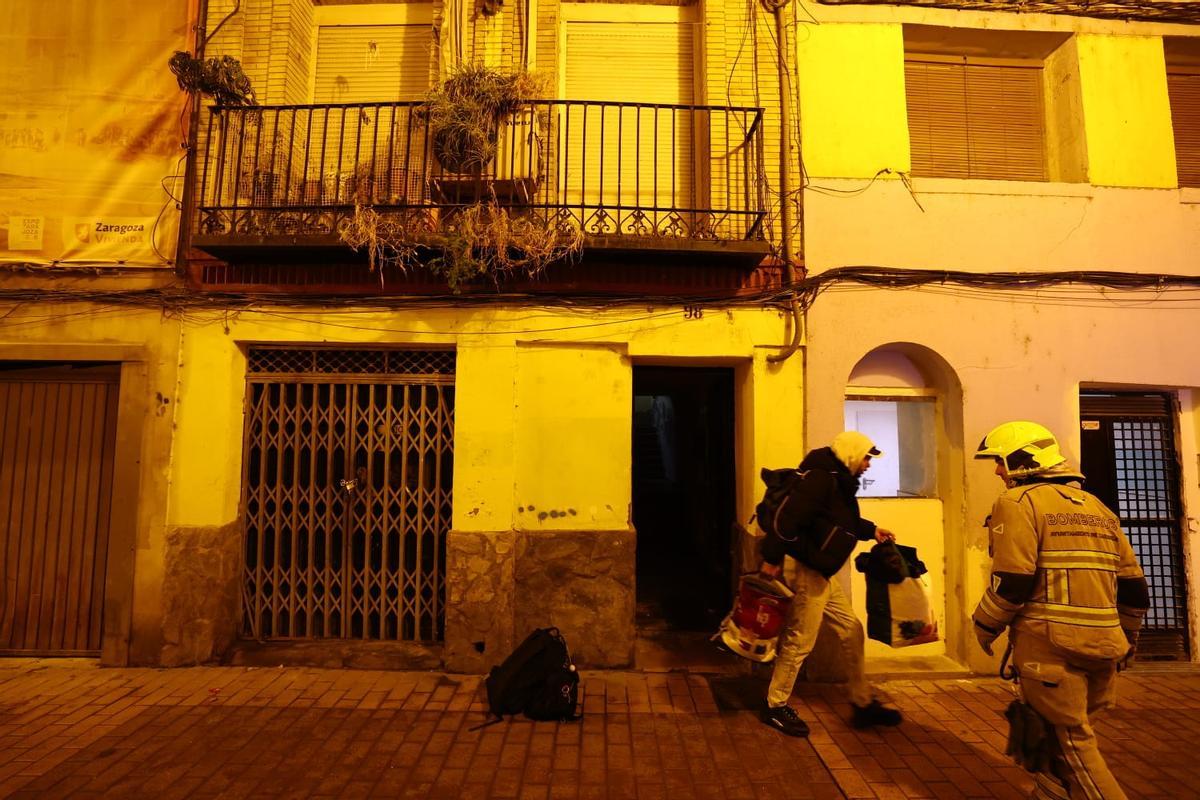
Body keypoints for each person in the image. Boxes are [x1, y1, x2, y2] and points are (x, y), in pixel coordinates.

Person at [972, 421, 1150, 799]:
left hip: (1051, 650)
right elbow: (1135, 587)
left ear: (1023, 460)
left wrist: (984, 626)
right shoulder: (1096, 507)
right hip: (1104, 650)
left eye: (1000, 462)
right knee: (1053, 745)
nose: (997, 471)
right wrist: (1129, 639)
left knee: (1073, 748)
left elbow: (1012, 581)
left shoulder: (1017, 503)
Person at [758, 431, 904, 737]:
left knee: (852, 629)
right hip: (808, 569)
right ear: (851, 454)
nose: (867, 464)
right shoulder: (821, 479)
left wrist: (871, 530)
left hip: (821, 570)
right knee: (800, 641)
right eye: (865, 457)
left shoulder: (838, 479)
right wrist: (771, 558)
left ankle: (862, 701)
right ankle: (774, 705)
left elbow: (837, 521)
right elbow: (787, 521)